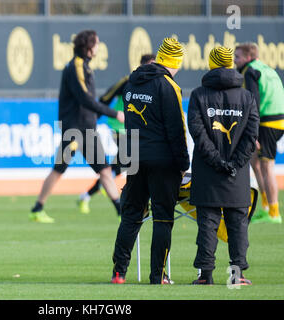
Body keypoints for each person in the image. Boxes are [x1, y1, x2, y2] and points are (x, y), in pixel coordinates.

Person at [111, 38, 189, 285]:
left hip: (135, 157)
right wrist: (183, 163)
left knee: (131, 215)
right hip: (163, 162)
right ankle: (158, 276)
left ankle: (119, 273)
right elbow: (176, 129)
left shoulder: (132, 81)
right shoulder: (168, 86)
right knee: (163, 218)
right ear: (175, 61)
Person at [30, 30, 124, 223]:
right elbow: (85, 99)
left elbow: (87, 101)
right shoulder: (76, 67)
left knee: (105, 170)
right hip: (74, 130)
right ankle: (37, 208)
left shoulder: (85, 66)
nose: (98, 47)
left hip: (87, 129)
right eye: (96, 44)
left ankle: (121, 211)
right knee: (59, 169)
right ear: (88, 47)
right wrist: (115, 113)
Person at [188, 47, 259, 285]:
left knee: (207, 223)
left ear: (210, 64)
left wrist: (217, 162)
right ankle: (236, 276)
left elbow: (198, 134)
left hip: (207, 171)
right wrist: (234, 164)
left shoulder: (198, 95)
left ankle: (205, 276)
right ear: (230, 64)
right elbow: (251, 136)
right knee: (237, 225)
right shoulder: (247, 97)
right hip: (236, 173)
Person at [77, 54, 156, 214]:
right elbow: (106, 96)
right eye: (151, 65)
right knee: (129, 158)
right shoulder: (128, 81)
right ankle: (120, 196)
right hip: (119, 126)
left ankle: (87, 195)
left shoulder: (155, 85)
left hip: (136, 129)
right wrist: (95, 117)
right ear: (142, 66)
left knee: (121, 165)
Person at [234, 42, 284, 224]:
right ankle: (266, 208)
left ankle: (274, 212)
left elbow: (253, 101)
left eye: (238, 57)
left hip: (267, 121)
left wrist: (253, 133)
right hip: (280, 118)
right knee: (255, 161)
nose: (235, 60)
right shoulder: (266, 69)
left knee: (267, 166)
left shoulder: (250, 71)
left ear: (248, 57)